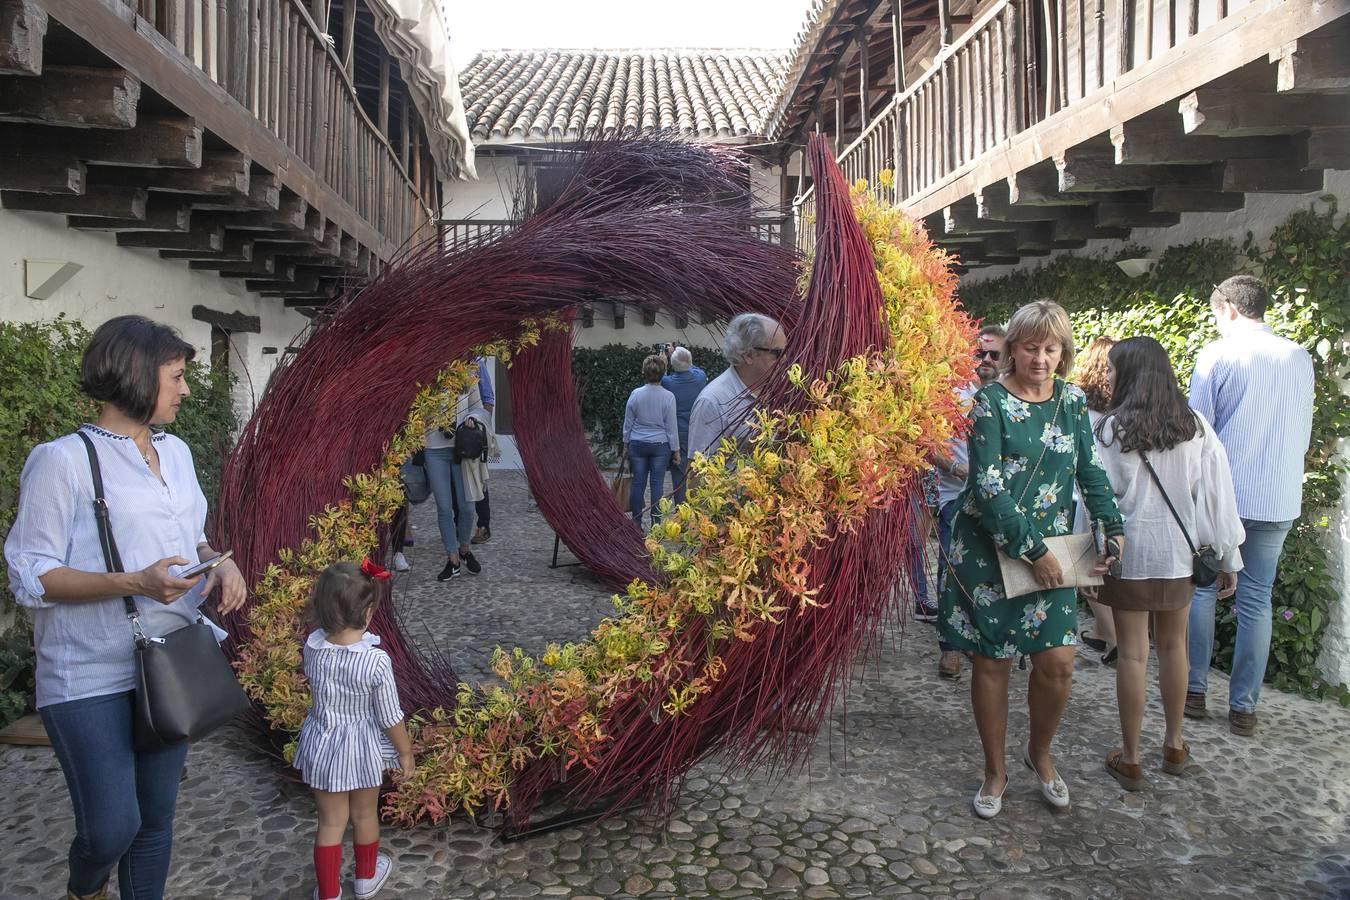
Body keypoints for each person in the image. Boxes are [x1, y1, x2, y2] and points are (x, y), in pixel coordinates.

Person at [4, 315, 248, 900]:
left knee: (156, 817)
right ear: (139, 376)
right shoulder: (61, 461)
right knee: (111, 827)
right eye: (177, 376)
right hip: (86, 671)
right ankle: (84, 889)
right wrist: (132, 582)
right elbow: (29, 574)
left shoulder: (179, 452)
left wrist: (218, 559)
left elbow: (188, 535)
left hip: (168, 661)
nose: (186, 389)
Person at [937, 300, 1123, 819]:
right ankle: (994, 770)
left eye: (1050, 348)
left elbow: (1090, 469)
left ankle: (1038, 753)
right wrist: (1035, 551)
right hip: (990, 548)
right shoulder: (988, 404)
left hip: (1054, 549)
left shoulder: (1072, 401)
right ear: (1013, 349)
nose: (1040, 358)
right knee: (992, 661)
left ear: (1062, 352)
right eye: (1029, 347)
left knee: (1058, 664)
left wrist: (1114, 526)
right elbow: (988, 486)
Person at [1093, 337, 1244, 790]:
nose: (1110, 378)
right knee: (1175, 647)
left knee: (1133, 655)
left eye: (1114, 370)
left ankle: (1132, 756)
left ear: (1129, 373)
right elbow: (1216, 495)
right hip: (1181, 553)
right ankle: (1175, 743)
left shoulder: (1109, 429)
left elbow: (1094, 497)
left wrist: (1087, 561)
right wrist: (1229, 555)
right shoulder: (1194, 426)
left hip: (1129, 554)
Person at [1186, 275, 1314, 736]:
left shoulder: (1218, 354)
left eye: (1215, 315)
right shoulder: (1299, 356)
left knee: (1201, 589)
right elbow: (1303, 427)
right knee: (1257, 599)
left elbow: (1196, 431)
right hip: (1277, 495)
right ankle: (1243, 708)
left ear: (1230, 311)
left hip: (1226, 496)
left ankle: (1194, 692)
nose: (1215, 323)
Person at [294, 560, 414, 900]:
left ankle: (329, 892)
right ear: (367, 613)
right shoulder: (375, 661)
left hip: (321, 742)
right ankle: (365, 878)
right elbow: (391, 716)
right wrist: (404, 752)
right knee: (364, 814)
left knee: (330, 822)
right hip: (361, 749)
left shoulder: (313, 647)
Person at [931, 324, 1006, 678]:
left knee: (991, 572)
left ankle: (980, 638)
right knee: (952, 569)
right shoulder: (952, 395)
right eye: (980, 354)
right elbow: (929, 444)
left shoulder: (1012, 398)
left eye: (994, 355)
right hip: (955, 497)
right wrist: (957, 468)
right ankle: (951, 647)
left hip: (998, 502)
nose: (986, 360)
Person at [1071, 337, 1119, 662]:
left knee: (1085, 571)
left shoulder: (1079, 408)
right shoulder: (1121, 412)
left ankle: (1113, 639)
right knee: (1104, 567)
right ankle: (1103, 634)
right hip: (1111, 499)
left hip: (1081, 499)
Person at [687, 313, 787, 459]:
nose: (785, 359)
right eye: (778, 353)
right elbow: (696, 474)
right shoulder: (712, 402)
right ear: (749, 355)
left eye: (787, 351)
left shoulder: (782, 388)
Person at [423, 371, 489, 582]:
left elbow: (479, 407)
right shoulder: (429, 373)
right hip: (434, 448)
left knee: (467, 506)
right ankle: (453, 560)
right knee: (444, 507)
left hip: (462, 447)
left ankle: (464, 548)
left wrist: (472, 417)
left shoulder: (467, 373)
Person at [622, 354, 680, 527]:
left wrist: (626, 443)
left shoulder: (635, 394)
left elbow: (628, 423)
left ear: (643, 372)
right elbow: (671, 427)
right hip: (660, 446)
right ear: (664, 373)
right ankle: (656, 524)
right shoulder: (668, 396)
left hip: (638, 444)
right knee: (657, 485)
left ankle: (636, 523)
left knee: (638, 483)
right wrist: (675, 450)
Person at [661, 346, 708, 504]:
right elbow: (692, 367)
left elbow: (656, 378)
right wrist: (679, 354)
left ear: (673, 365)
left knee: (679, 475)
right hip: (699, 431)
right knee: (698, 471)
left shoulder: (667, 382)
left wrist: (664, 362)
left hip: (679, 433)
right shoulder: (700, 377)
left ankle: (681, 511)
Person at [471, 358, 494, 545]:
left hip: (474, 431)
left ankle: (483, 525)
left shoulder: (477, 363)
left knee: (480, 479)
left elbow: (488, 399)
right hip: (451, 432)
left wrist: (483, 430)